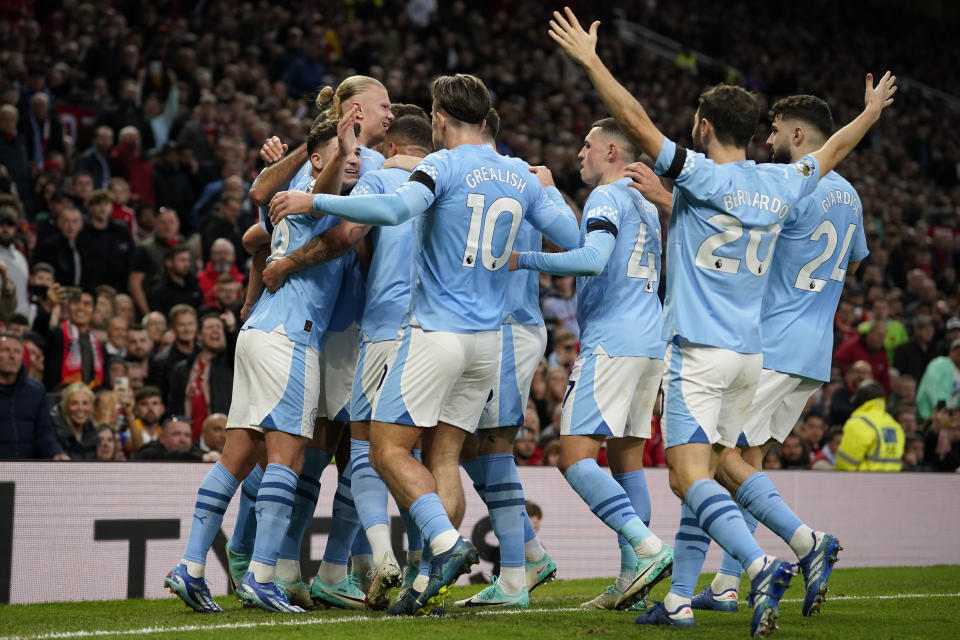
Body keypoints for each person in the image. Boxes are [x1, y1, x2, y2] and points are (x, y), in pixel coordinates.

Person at [546, 7, 895, 634]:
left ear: (704, 126)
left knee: (687, 477)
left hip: (699, 352)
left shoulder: (699, 174)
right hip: (750, 352)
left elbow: (635, 121)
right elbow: (836, 147)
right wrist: (869, 112)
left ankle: (758, 564)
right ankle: (724, 578)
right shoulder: (782, 183)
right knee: (729, 463)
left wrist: (591, 60)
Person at [267, 73, 580, 615]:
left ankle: (445, 546)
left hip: (436, 335)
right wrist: (546, 192)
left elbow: (391, 212)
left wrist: (313, 201)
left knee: (385, 450)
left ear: (438, 118)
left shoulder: (439, 165)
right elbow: (574, 241)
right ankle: (427, 575)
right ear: (486, 118)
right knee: (445, 460)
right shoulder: (520, 175)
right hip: (490, 344)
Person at [164, 114, 349, 617]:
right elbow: (323, 187)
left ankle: (191, 566)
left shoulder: (291, 201)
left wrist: (249, 298)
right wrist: (333, 156)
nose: (351, 156)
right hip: (291, 338)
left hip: (258, 334)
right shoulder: (316, 195)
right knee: (287, 460)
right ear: (318, 159)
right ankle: (262, 576)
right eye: (343, 148)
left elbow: (252, 240)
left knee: (237, 457)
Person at [689, 95, 867, 617]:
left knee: (717, 459)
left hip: (772, 342)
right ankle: (725, 584)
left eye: (774, 130)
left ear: (797, 137)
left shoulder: (789, 189)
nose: (766, 140)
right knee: (750, 464)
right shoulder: (851, 196)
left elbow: (746, 248)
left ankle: (808, 542)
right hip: (813, 351)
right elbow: (853, 265)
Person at [509, 116, 671, 612]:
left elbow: (591, 258)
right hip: (650, 344)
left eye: (588, 144)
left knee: (572, 456)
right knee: (626, 462)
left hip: (613, 344)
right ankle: (630, 576)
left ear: (614, 151)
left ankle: (645, 549)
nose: (580, 152)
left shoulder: (607, 196)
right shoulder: (647, 201)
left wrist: (525, 259)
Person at [454, 109, 558, 610]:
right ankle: (531, 553)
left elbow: (572, 238)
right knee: (466, 445)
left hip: (507, 326)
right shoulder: (527, 179)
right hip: (497, 327)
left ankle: (515, 576)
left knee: (492, 445)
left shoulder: (485, 177)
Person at [0, 333, 68, 460]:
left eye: (17, 351)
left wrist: (56, 452)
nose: (12, 356)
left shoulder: (36, 391)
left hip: (28, 471)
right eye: (5, 350)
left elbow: (44, 432)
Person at [166, 314, 233, 439]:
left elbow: (235, 346)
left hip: (220, 438)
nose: (215, 330)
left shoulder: (230, 365)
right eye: (210, 327)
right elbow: (174, 404)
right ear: (199, 335)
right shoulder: (182, 368)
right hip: (188, 438)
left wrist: (231, 330)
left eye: (219, 327)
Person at [33, 288, 108, 391]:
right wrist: (48, 307)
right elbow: (39, 331)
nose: (80, 308)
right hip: (58, 399)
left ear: (94, 311)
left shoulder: (100, 345)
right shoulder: (57, 335)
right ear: (68, 307)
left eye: (86, 304)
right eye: (76, 303)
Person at [835, 381, 904, 471]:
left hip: (864, 482)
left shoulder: (859, 423)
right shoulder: (895, 425)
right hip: (892, 482)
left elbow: (845, 464)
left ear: (860, 400)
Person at [129, 207, 184, 315]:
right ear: (155, 225)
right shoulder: (145, 249)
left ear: (178, 224)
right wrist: (147, 314)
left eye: (171, 222)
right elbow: (134, 284)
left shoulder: (184, 244)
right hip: (156, 307)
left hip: (180, 307)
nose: (167, 227)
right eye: (163, 222)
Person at [78, 189, 134, 293]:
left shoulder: (121, 229)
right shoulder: (82, 231)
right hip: (89, 289)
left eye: (106, 203)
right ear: (90, 207)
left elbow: (130, 258)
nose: (103, 208)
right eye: (98, 204)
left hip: (118, 289)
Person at [32, 206, 84, 288]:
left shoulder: (82, 246)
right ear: (59, 223)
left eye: (75, 221)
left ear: (81, 225)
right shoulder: (49, 246)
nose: (71, 226)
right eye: (67, 221)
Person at [834, 321, 890, 395]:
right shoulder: (852, 344)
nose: (881, 339)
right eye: (878, 335)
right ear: (870, 333)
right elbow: (837, 363)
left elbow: (884, 378)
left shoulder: (882, 352)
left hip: (871, 390)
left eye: (883, 336)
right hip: (849, 386)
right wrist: (853, 374)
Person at [147, 245, 204, 316]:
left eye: (188, 260)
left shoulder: (193, 282)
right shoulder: (159, 289)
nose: (187, 264)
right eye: (182, 260)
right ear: (169, 263)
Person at [135, 416, 218, 461]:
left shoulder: (194, 450)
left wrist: (212, 456)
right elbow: (168, 456)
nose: (182, 440)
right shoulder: (148, 451)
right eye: (176, 434)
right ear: (161, 438)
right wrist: (201, 458)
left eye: (187, 435)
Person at [51, 382, 98, 460]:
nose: (80, 408)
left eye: (85, 403)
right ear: (66, 407)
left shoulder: (93, 432)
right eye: (74, 403)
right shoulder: (54, 433)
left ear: (91, 407)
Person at [916, 338, 960, 419]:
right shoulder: (940, 363)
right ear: (950, 352)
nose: (959, 353)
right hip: (929, 413)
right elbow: (931, 384)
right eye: (956, 350)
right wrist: (939, 408)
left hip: (949, 416)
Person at [0, 207, 28, 316]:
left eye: (10, 225)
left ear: (15, 229)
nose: (5, 229)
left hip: (21, 319)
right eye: (1, 225)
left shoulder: (20, 258)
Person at [893, 315, 937, 382]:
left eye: (931, 328)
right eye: (926, 329)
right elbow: (898, 374)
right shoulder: (904, 349)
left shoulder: (934, 348)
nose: (929, 332)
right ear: (916, 330)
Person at [828, 360, 873, 426]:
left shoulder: (874, 396)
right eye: (857, 371)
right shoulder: (840, 393)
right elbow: (840, 411)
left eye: (865, 372)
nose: (861, 375)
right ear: (850, 374)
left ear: (871, 376)